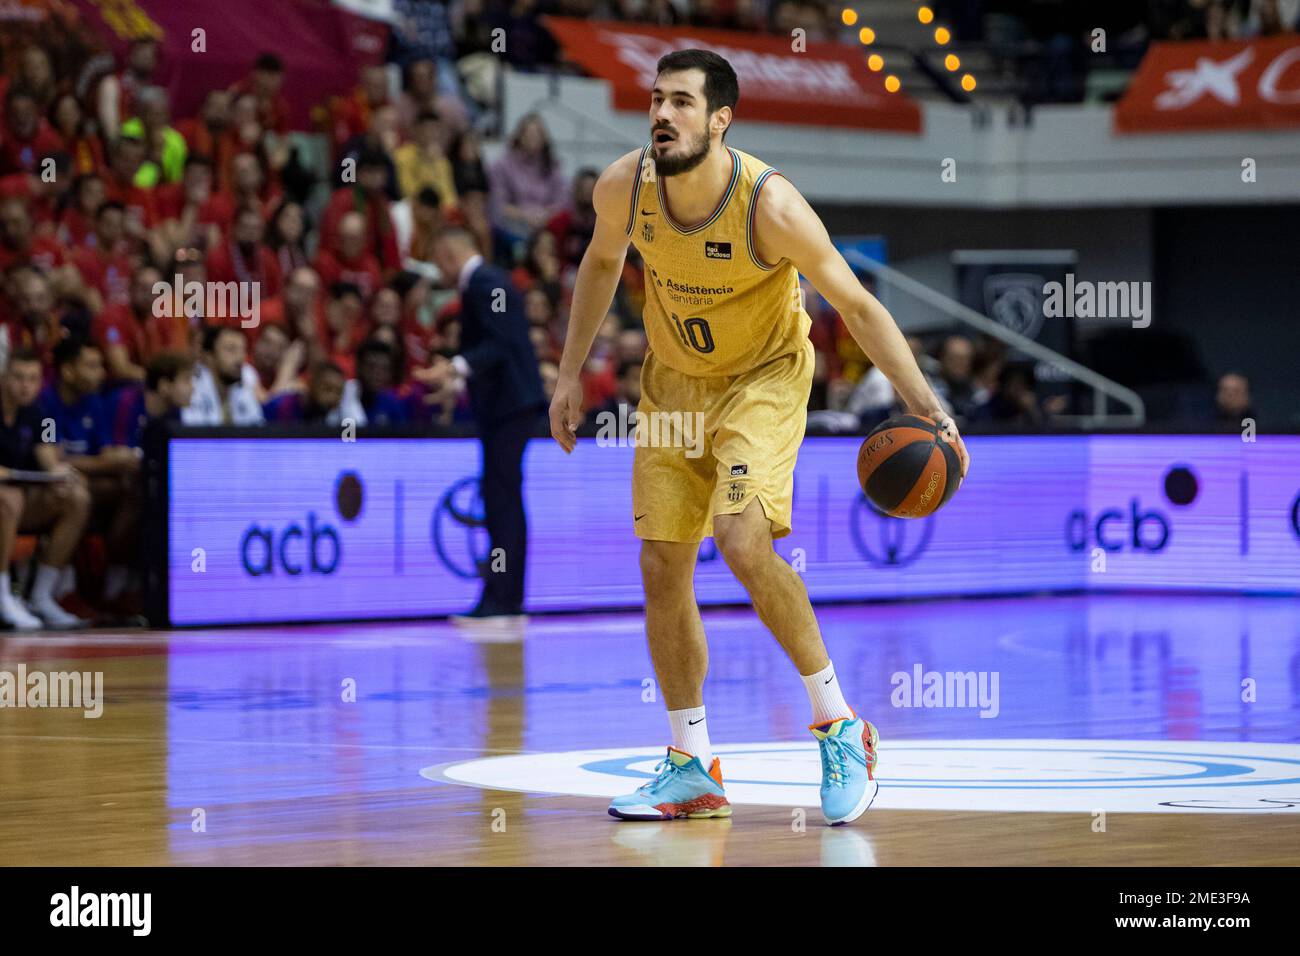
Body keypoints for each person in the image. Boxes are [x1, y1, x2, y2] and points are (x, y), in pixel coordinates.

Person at [549, 50, 969, 826]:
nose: (662, 114)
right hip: (674, 385)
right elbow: (602, 263)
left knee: (742, 540)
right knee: (661, 563)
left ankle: (842, 724)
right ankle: (691, 765)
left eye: (681, 101)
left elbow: (858, 305)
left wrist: (930, 407)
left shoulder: (769, 205)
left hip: (766, 379)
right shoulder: (624, 186)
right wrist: (570, 373)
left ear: (720, 120)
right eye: (655, 99)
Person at [428, 226, 545, 622]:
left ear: (447, 252)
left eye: (435, 260)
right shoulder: (490, 281)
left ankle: (502, 598)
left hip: (509, 409)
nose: (436, 271)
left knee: (502, 504)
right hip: (512, 407)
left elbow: (499, 343)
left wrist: (456, 366)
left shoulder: (484, 282)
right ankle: (506, 596)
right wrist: (459, 377)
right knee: (504, 502)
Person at [0, 349, 91, 629]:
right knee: (10, 499)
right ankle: (3, 596)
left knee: (76, 499)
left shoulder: (43, 414)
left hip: (21, 494)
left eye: (32, 378)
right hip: (7, 497)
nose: (25, 385)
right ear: (4, 378)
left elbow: (49, 456)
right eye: (18, 377)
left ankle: (41, 595)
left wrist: (59, 475)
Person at [182, 325, 265, 425]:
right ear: (209, 356)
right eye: (231, 350)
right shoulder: (191, 388)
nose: (240, 358)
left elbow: (258, 429)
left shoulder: (245, 384)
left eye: (243, 350)